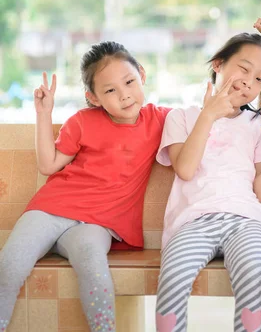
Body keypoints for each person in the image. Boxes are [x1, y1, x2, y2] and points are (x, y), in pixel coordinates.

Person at [0, 41, 171, 331]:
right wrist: (44, 114)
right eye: (110, 90)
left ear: (141, 74)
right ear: (93, 98)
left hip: (98, 224)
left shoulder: (161, 118)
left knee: (92, 262)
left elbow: (210, 116)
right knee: (11, 262)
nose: (124, 95)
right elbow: (49, 165)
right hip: (51, 209)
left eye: (129, 82)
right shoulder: (81, 121)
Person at [154, 5, 261, 332]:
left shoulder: (257, 124)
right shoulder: (182, 117)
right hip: (194, 221)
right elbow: (185, 169)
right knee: (171, 281)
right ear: (218, 65)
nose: (250, 82)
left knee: (254, 277)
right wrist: (208, 114)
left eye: (259, 78)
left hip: (246, 220)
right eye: (244, 69)